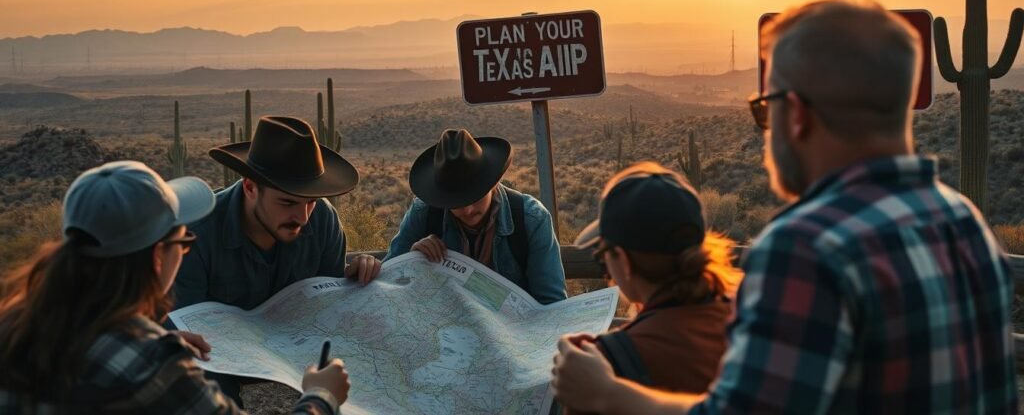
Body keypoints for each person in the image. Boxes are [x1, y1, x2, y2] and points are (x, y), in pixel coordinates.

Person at [552, 0, 1018, 414]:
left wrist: (607, 395)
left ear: (795, 114)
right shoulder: (963, 222)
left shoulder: (808, 248)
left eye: (763, 108)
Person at [0, 161, 350, 413]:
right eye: (183, 243)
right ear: (157, 256)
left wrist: (157, 346)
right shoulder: (152, 367)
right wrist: (321, 397)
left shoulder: (18, 324)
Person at [173, 115, 381, 405]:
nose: (303, 217)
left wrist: (353, 280)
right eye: (287, 203)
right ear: (249, 187)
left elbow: (328, 310)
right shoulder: (196, 234)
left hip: (292, 343)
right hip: (217, 353)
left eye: (310, 201)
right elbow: (187, 335)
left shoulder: (322, 219)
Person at [565, 161, 740, 404]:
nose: (606, 269)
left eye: (602, 255)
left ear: (624, 262)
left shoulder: (604, 367)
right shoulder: (747, 320)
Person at [385, 128, 566, 304]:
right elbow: (387, 285)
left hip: (514, 331)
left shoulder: (531, 218)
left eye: (475, 197)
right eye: (457, 203)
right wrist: (412, 261)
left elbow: (551, 303)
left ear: (492, 183)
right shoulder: (423, 214)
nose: (469, 210)